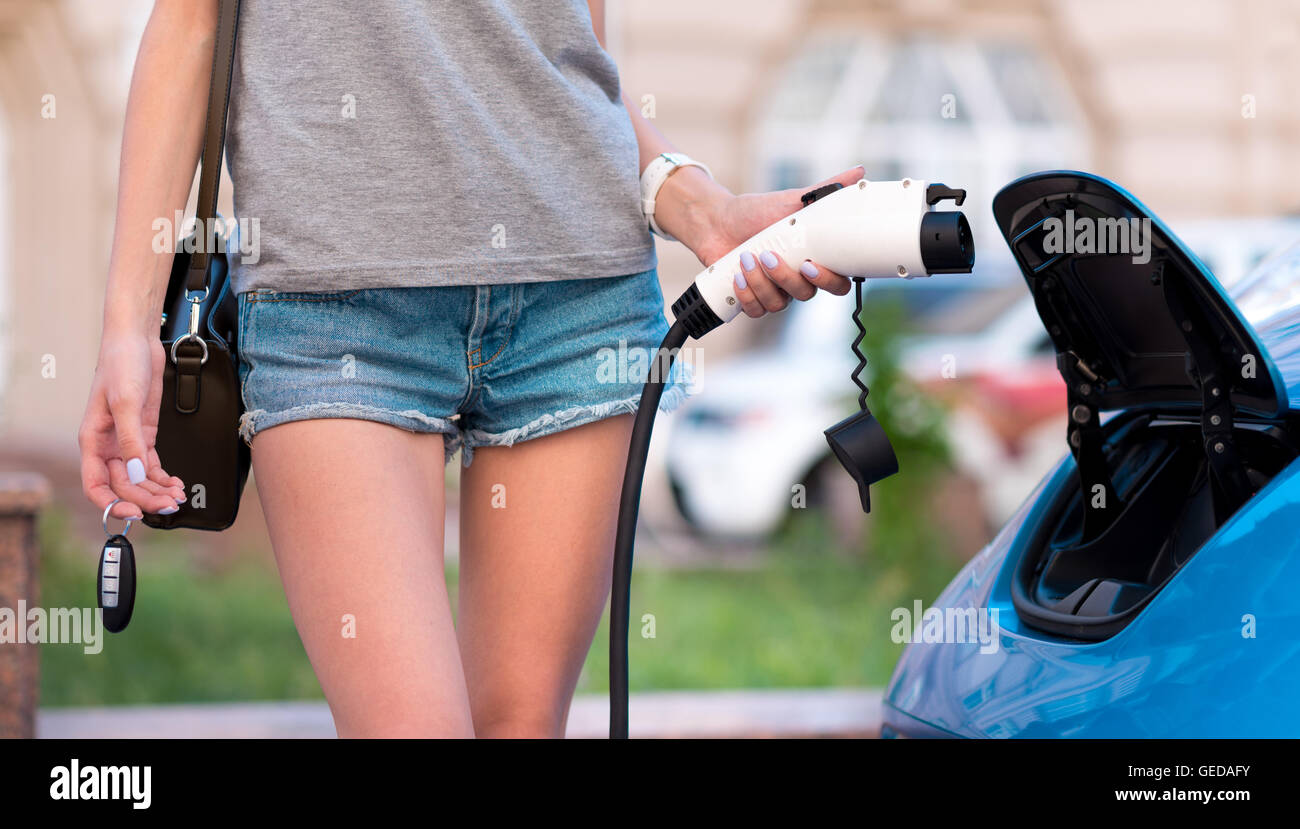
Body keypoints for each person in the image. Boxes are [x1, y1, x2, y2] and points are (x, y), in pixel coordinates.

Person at [79, 0, 859, 737]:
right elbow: (191, 20)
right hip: (336, 301)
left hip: (576, 293)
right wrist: (126, 325)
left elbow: (560, 50)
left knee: (520, 727)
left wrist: (704, 210)